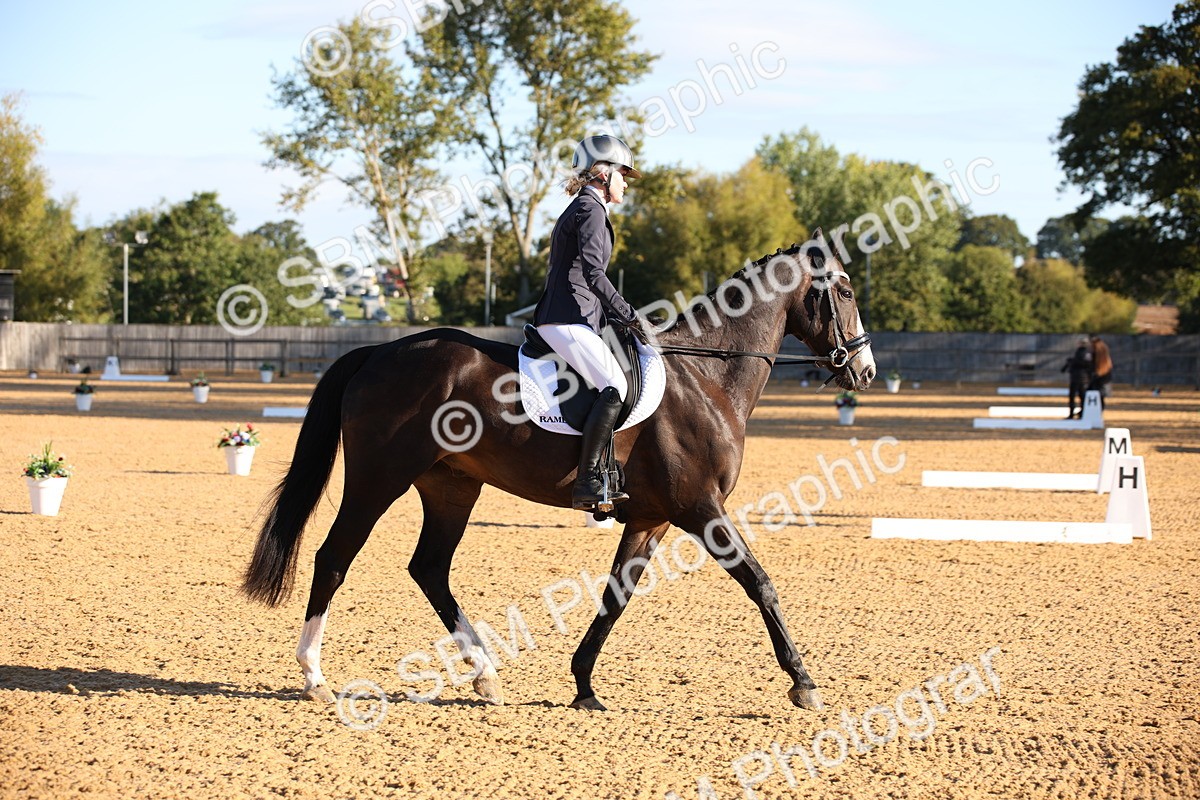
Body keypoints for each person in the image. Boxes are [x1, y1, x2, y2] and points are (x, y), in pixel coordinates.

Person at [532, 134, 648, 511]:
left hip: (575, 317)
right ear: (603, 174)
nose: (626, 182)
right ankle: (588, 481)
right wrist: (629, 316)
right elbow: (595, 276)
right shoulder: (590, 210)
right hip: (567, 319)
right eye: (623, 175)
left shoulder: (587, 207)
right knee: (614, 385)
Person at [1061, 336, 1094, 419]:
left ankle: (1077, 413)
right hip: (1081, 378)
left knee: (1077, 397)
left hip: (1079, 378)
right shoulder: (1084, 352)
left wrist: (1073, 362)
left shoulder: (1085, 353)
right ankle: (1078, 413)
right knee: (1079, 397)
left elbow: (1086, 364)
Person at [1088, 334, 1114, 408]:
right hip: (1104, 375)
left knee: (1093, 393)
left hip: (1098, 376)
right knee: (1100, 395)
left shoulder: (1095, 352)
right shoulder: (1104, 351)